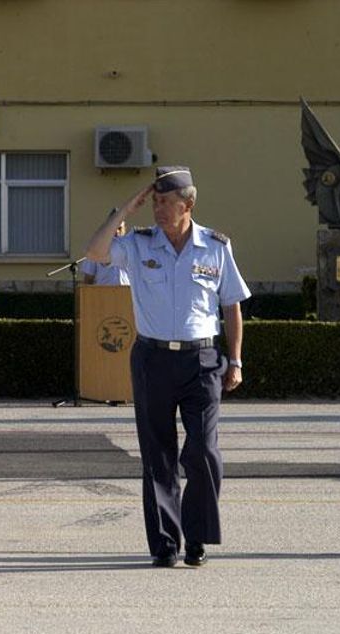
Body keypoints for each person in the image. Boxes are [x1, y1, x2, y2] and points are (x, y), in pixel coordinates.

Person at [84, 166, 249, 569]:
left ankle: (197, 537)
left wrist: (236, 360)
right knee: (158, 453)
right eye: (154, 201)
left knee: (203, 452)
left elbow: (231, 305)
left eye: (166, 202)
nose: (158, 210)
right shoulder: (139, 245)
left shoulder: (215, 246)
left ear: (187, 204)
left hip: (203, 360)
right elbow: (95, 252)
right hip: (153, 359)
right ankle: (164, 544)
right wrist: (125, 209)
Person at [80, 220, 130, 286]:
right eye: (114, 228)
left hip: (126, 293)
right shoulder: (96, 248)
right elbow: (88, 279)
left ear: (124, 229)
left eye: (119, 228)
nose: (116, 232)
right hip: (103, 292)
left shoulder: (130, 249)